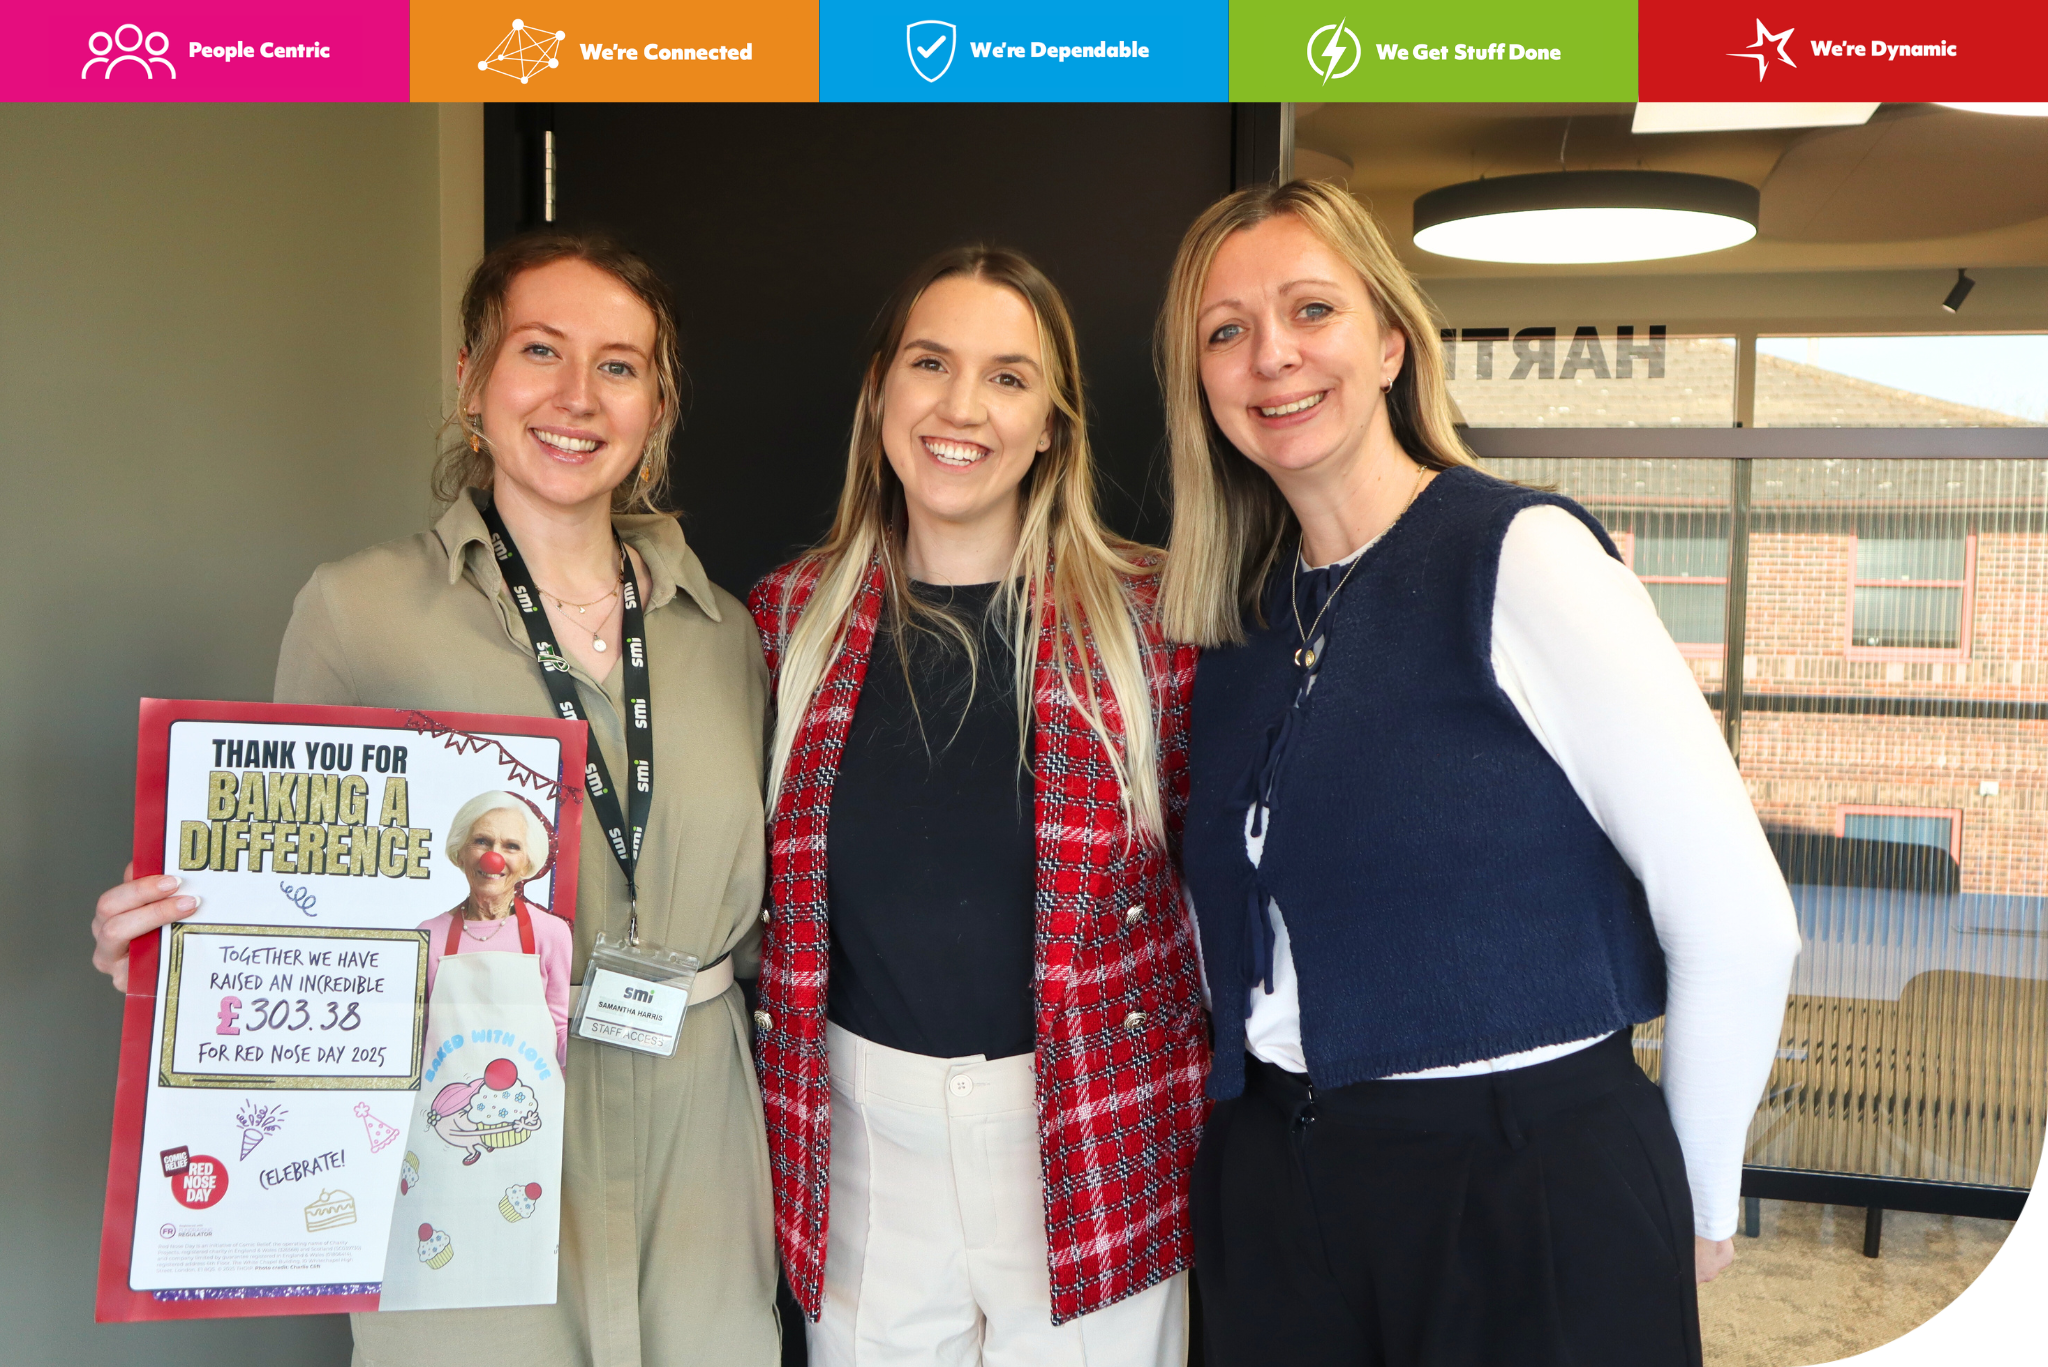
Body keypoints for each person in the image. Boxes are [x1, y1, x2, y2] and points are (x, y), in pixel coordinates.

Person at [88, 230, 779, 1365]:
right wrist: (179, 952)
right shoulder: (358, 613)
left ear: (656, 406)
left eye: (617, 365)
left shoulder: (727, 635)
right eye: (539, 349)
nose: (576, 394)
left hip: (696, 1139)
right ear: (471, 378)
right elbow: (292, 902)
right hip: (467, 1135)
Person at [1156, 179, 1803, 1365]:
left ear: (1390, 343)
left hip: (1519, 1184)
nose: (1270, 356)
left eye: (1311, 309)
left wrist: (1696, 1195)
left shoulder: (1520, 557)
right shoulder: (1237, 621)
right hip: (1277, 1181)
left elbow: (1735, 917)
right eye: (1225, 330)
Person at [748, 245, 1207, 1366]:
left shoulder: (1154, 620)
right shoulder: (788, 617)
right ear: (879, 392)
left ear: (1051, 423)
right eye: (930, 363)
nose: (962, 407)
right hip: (858, 1145)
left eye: (1007, 377)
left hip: (1096, 1137)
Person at [421, 791, 574, 1064]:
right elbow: (416, 1034)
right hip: (449, 1087)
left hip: (528, 1086)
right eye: (482, 841)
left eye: (511, 846)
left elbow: (560, 1030)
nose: (494, 857)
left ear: (527, 862)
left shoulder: (552, 934)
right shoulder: (429, 936)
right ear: (460, 853)